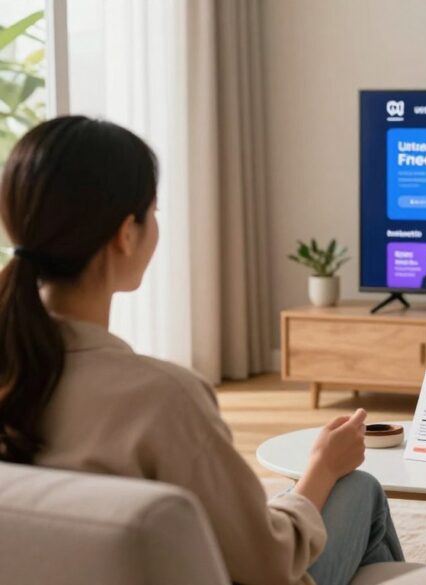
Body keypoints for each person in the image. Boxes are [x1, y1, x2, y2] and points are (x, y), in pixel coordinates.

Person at [0, 116, 404, 585]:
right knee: (357, 487)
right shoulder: (161, 397)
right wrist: (321, 467)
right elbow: (267, 564)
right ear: (125, 234)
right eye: (153, 211)